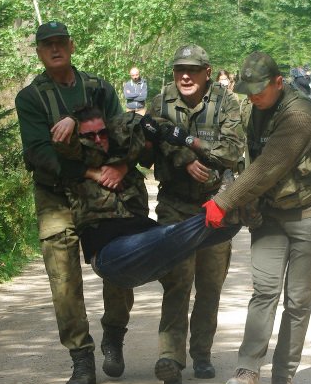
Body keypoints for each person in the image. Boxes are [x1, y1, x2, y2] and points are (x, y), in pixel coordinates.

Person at [202, 51, 311, 384]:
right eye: (249, 91)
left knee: (297, 301)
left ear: (279, 82)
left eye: (260, 91)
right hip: (271, 215)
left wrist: (224, 202)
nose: (253, 97)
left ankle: (284, 377)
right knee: (264, 292)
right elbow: (244, 156)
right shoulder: (251, 109)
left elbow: (268, 167)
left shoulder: (300, 115)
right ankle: (247, 373)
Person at [14, 21, 133, 384]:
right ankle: (81, 358)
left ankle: (113, 335)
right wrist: (91, 171)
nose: (55, 49)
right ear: (38, 51)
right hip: (57, 195)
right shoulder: (31, 98)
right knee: (63, 278)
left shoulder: (98, 87)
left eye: (60, 42)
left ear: (71, 45)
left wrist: (121, 165)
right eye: (47, 44)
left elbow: (123, 130)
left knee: (118, 265)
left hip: (103, 194)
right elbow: (39, 153)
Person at [53, 107, 241, 289]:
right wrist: (71, 118)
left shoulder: (123, 153)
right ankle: (226, 206)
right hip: (112, 255)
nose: (98, 140)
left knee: (219, 232)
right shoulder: (75, 161)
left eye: (102, 133)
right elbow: (58, 146)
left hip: (145, 249)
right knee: (172, 235)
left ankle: (238, 212)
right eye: (90, 136)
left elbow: (155, 127)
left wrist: (186, 159)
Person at [146, 44, 245, 384]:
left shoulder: (225, 102)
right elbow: (154, 138)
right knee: (176, 279)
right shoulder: (160, 101)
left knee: (210, 283)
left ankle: (201, 353)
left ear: (207, 71)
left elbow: (232, 151)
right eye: (179, 70)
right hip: (174, 205)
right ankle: (170, 357)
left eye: (192, 69)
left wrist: (188, 141)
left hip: (215, 204)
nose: (185, 76)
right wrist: (183, 158)